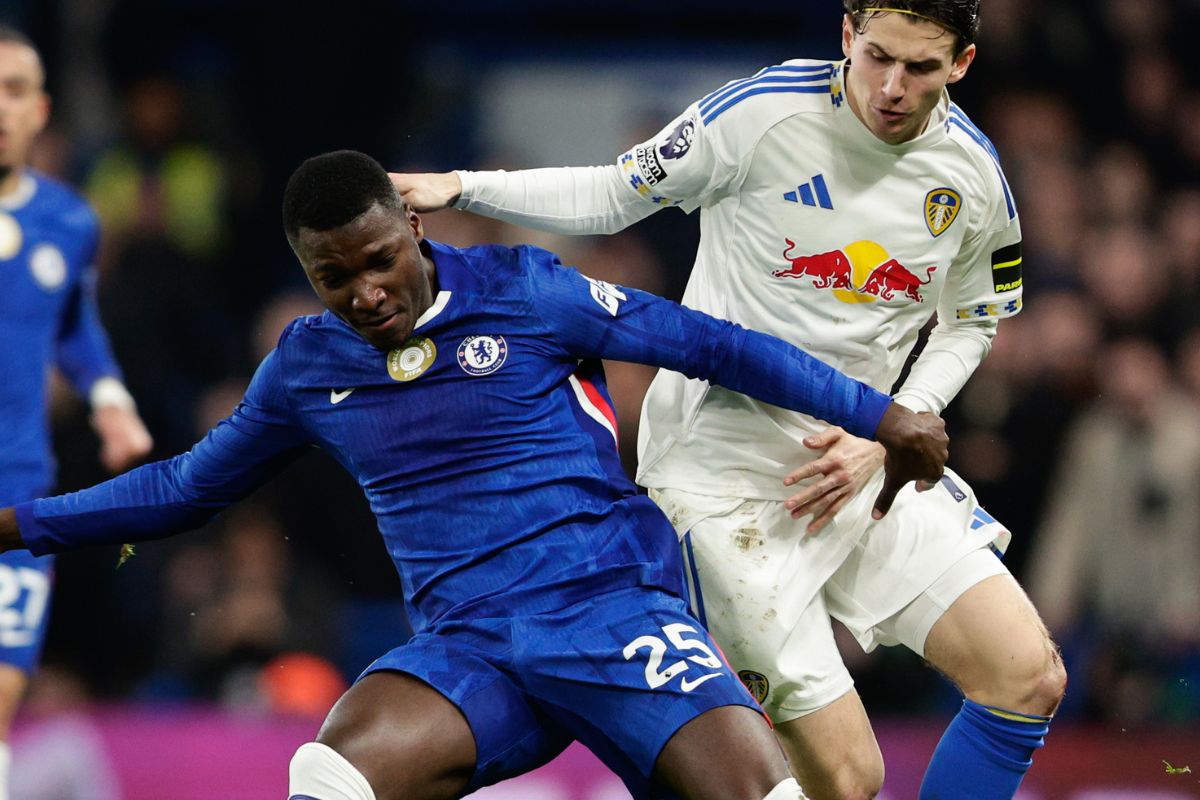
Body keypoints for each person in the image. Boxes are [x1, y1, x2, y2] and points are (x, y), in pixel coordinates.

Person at [0, 150, 948, 800]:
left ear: (412, 225)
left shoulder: (526, 291)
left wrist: (883, 415)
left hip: (613, 614)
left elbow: (713, 345)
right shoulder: (305, 367)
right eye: (335, 279)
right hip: (470, 651)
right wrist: (15, 524)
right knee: (327, 779)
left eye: (379, 260)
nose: (367, 293)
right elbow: (181, 489)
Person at [390, 2, 1067, 798]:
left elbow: (973, 319)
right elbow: (615, 192)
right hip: (722, 484)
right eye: (877, 56)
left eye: (919, 68)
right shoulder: (760, 116)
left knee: (1028, 677)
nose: (891, 86)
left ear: (961, 64)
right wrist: (461, 187)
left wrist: (896, 424)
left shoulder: (972, 175)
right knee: (849, 779)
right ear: (847, 36)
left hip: (861, 463)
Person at [0, 27, 152, 800]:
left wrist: (109, 400)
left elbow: (74, 323)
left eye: (14, 90)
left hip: (16, 493)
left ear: (41, 110)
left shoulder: (69, 221)